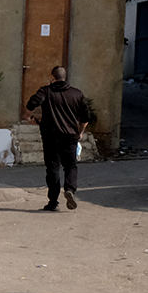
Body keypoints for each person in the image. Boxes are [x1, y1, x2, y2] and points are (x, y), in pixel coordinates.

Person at [25, 66, 90, 211]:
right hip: (70, 136)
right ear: (65, 77)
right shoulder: (77, 94)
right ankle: (70, 190)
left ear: (52, 77)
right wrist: (80, 132)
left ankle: (53, 202)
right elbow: (85, 117)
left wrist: (28, 115)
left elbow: (33, 103)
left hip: (50, 136)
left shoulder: (46, 91)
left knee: (52, 168)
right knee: (70, 166)